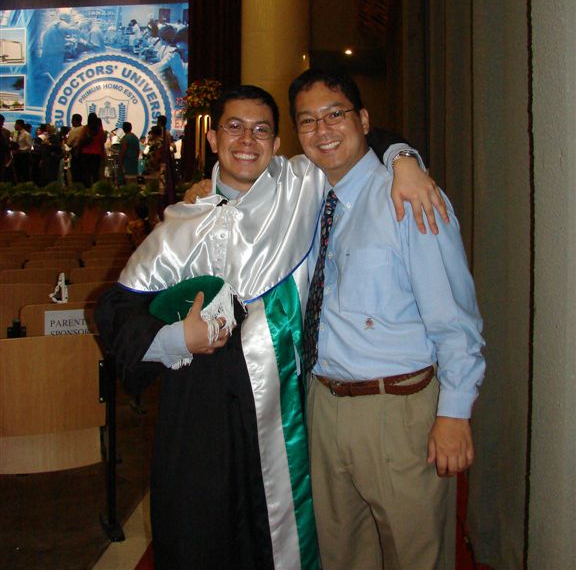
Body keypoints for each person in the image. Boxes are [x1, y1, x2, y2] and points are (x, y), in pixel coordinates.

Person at [94, 85, 445, 570]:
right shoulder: (179, 224)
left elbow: (357, 140)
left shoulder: (302, 187)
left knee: (284, 538)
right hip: (199, 417)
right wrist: (176, 339)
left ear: (277, 143)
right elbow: (116, 309)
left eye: (261, 130)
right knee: (201, 538)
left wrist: (404, 160)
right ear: (213, 138)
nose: (247, 140)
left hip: (285, 409)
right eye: (234, 127)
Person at [287, 68, 486, 570]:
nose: (322, 129)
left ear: (363, 120)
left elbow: (454, 316)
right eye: (307, 120)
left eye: (335, 114)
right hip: (323, 404)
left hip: (397, 410)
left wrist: (455, 411)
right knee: (342, 556)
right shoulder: (308, 197)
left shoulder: (409, 197)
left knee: (415, 556)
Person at [77, 112, 106, 187]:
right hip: (96, 155)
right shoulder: (100, 130)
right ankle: (95, 188)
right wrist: (103, 156)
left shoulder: (86, 128)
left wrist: (78, 151)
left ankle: (87, 189)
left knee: (86, 174)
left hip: (86, 154)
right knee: (95, 173)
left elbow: (80, 140)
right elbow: (102, 143)